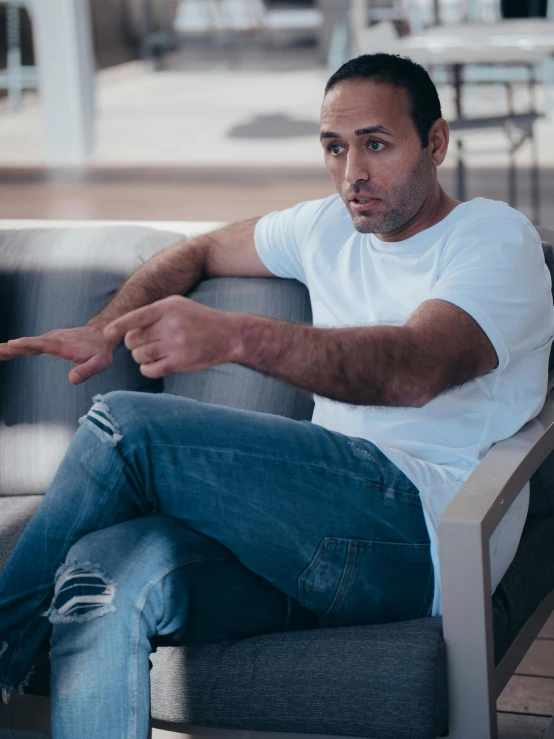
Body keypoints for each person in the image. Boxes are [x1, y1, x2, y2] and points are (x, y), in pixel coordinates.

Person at [0, 52, 552, 738]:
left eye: (376, 144)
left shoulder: (494, 238)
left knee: (125, 427)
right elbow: (199, 250)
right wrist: (103, 327)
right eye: (334, 147)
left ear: (434, 143)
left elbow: (412, 369)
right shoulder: (324, 226)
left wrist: (234, 337)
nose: (353, 174)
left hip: (423, 528)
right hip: (313, 535)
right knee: (99, 575)